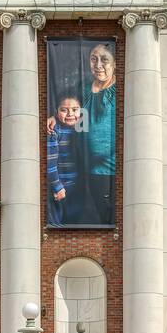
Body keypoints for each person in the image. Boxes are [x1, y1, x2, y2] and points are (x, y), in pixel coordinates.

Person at [78, 42, 116, 225]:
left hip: (110, 170)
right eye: (94, 59)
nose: (98, 65)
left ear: (114, 63)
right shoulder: (82, 89)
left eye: (104, 59)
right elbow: (71, 114)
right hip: (85, 169)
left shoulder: (120, 91)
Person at [46, 94, 83, 226]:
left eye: (75, 109)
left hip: (75, 188)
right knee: (57, 224)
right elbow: (50, 164)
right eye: (64, 110)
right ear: (56, 111)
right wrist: (57, 187)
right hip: (60, 189)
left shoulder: (80, 127)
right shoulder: (53, 131)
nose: (70, 114)